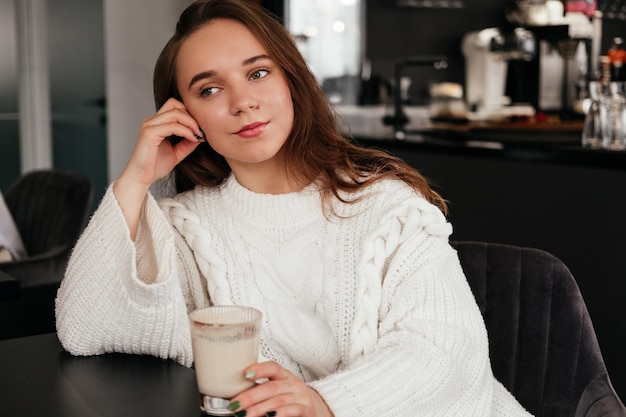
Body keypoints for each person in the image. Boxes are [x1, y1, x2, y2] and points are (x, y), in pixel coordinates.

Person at [55, 1, 532, 416]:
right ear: (184, 115)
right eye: (209, 89)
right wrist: (136, 178)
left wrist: (328, 404)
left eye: (258, 73)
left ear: (292, 82)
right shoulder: (183, 226)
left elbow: (446, 348)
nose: (243, 102)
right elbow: (84, 327)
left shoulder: (389, 207)